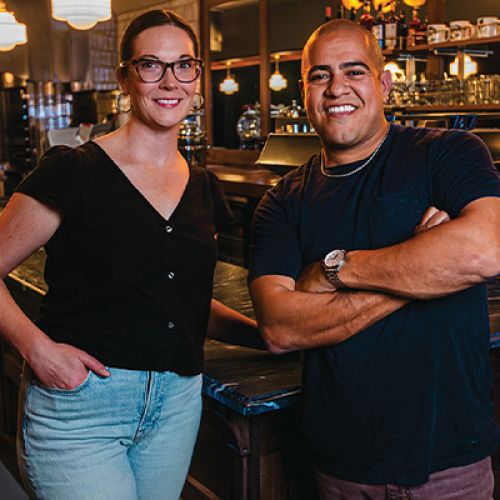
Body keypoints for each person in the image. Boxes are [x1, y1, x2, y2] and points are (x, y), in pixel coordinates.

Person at [0, 9, 260, 500]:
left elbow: (183, 304)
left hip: (176, 406)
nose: (170, 81)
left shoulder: (203, 186)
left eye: (184, 65)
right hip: (82, 409)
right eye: (151, 65)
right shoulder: (73, 171)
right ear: (125, 77)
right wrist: (38, 350)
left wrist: (267, 336)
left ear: (197, 77)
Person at [249, 19, 500, 499]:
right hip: (343, 468)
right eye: (319, 75)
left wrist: (335, 270)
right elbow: (279, 327)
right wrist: (423, 271)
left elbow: (486, 250)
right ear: (304, 92)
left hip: (452, 463)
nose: (336, 88)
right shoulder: (283, 201)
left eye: (354, 71)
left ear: (383, 84)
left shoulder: (446, 153)